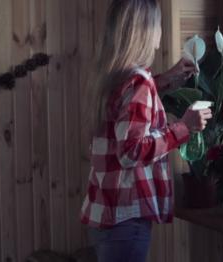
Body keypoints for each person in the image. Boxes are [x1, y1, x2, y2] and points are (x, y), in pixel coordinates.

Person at [80, 1, 212, 261]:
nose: (160, 32)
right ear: (146, 31)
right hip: (126, 219)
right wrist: (184, 127)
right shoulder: (138, 82)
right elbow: (131, 150)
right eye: (158, 25)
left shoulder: (115, 76)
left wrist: (163, 80)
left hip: (105, 213)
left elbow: (127, 108)